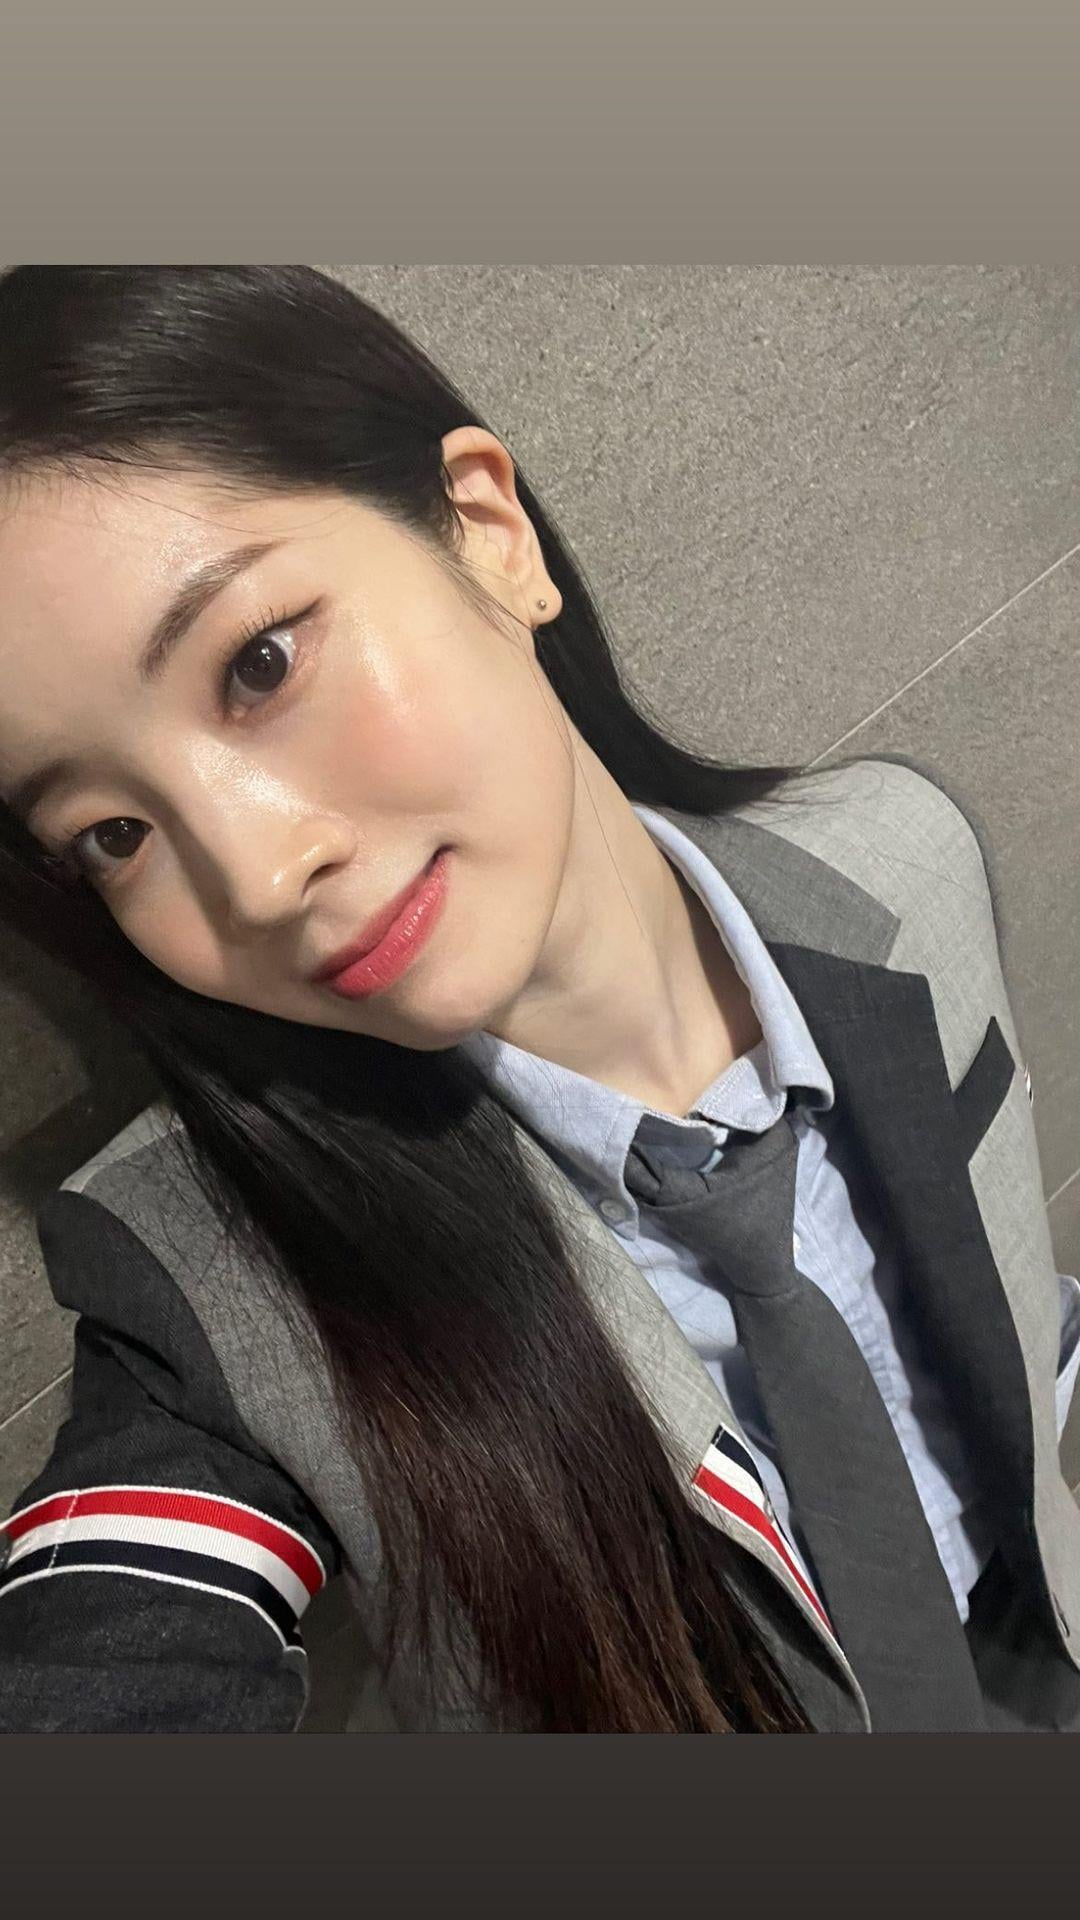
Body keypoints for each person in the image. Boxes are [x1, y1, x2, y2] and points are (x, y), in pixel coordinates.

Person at [0, 265, 1077, 1735]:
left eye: (259, 663)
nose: (255, 876)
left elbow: (995, 1280)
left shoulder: (899, 855)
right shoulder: (201, 1277)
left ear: (490, 536)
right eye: (113, 833)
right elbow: (104, 1654)